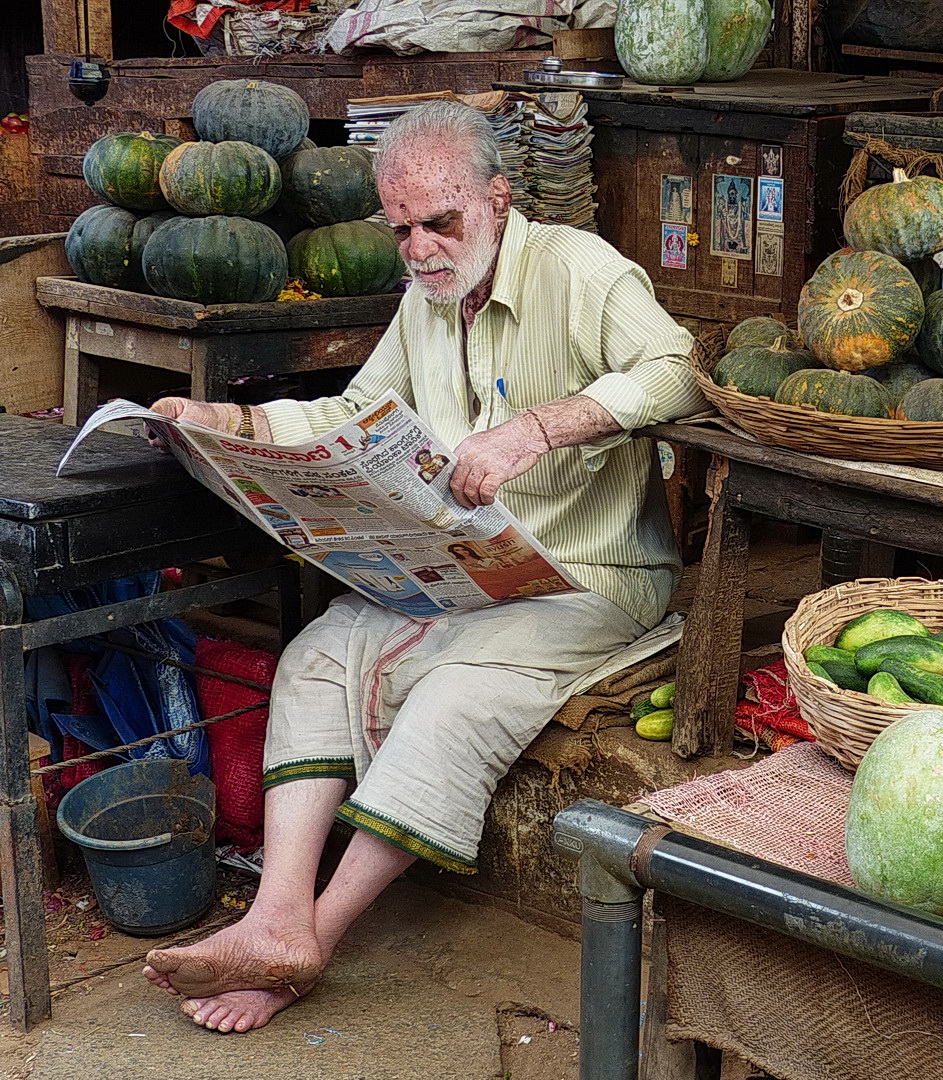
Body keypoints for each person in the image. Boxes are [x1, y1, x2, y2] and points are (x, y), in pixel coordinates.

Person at [138, 100, 706, 1033]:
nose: (419, 247)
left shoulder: (579, 268)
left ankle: (310, 939)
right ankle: (275, 913)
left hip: (589, 572)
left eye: (439, 222)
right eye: (399, 228)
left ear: (497, 197)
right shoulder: (425, 301)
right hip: (467, 569)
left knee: (456, 701)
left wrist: (537, 429)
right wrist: (228, 424)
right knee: (320, 650)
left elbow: (679, 370)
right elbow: (351, 416)